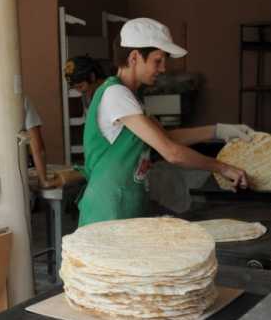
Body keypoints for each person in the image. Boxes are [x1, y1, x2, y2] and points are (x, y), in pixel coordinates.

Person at [78, 18, 252, 227]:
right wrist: (221, 168)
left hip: (126, 206)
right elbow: (172, 152)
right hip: (108, 211)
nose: (163, 68)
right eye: (157, 61)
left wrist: (218, 130)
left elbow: (166, 137)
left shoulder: (131, 98)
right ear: (134, 57)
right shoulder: (116, 94)